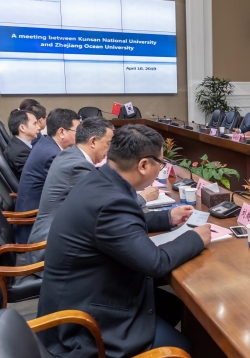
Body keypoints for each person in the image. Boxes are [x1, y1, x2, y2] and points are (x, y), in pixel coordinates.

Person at [37, 124, 211, 357]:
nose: (161, 168)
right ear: (143, 165)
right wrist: (195, 238)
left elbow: (120, 226)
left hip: (89, 290)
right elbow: (155, 263)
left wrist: (167, 218)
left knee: (172, 307)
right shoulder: (112, 202)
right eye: (160, 163)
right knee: (182, 347)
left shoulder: (102, 180)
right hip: (84, 323)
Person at [25, 117, 159, 268]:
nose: (111, 151)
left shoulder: (70, 154)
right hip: (48, 250)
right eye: (109, 144)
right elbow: (109, 206)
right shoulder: (78, 166)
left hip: (56, 240)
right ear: (93, 141)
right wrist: (142, 197)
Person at [14, 109, 80, 243]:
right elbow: (72, 191)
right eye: (77, 131)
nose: (80, 135)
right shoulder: (52, 155)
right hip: (34, 228)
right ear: (61, 132)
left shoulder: (46, 144)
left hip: (36, 216)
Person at [4, 110, 39, 180]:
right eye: (34, 124)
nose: (38, 127)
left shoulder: (16, 144)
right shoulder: (20, 153)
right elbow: (34, 178)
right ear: (22, 128)